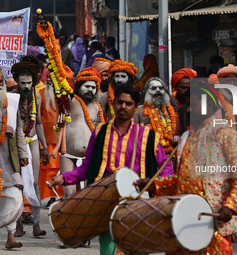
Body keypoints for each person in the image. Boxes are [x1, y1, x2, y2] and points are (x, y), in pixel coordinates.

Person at [48, 84, 173, 255]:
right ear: (114, 104)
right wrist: (63, 178)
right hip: (107, 200)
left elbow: (165, 167)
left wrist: (160, 186)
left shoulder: (148, 136)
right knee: (108, 248)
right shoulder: (100, 133)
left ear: (136, 107)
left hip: (138, 200)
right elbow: (87, 167)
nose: (123, 107)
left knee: (138, 245)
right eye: (120, 102)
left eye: (128, 103)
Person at [134, 84, 237, 255]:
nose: (188, 110)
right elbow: (181, 180)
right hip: (186, 218)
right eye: (187, 105)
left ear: (210, 105)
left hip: (213, 220)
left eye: (194, 105)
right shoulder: (187, 138)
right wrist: (154, 184)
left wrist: (230, 206)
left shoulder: (226, 135)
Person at [11, 61, 50, 237]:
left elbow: (39, 123)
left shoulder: (38, 97)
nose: (26, 86)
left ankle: (36, 225)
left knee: (34, 183)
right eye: (22, 83)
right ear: (17, 82)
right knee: (17, 184)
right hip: (16, 144)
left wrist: (45, 147)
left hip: (33, 141)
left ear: (33, 82)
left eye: (28, 83)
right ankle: (17, 225)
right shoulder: (11, 98)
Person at [59, 67, 105, 197]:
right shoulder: (71, 102)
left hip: (88, 158)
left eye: (93, 87)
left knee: (87, 195)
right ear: (79, 87)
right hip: (69, 155)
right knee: (69, 193)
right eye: (87, 86)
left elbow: (100, 130)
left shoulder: (97, 107)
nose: (90, 89)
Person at [0, 67, 28, 249]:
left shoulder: (11, 101)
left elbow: (18, 129)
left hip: (7, 156)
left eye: (0, 83)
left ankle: (10, 236)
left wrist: (23, 153)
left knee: (14, 193)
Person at [38, 70, 64, 206]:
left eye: (51, 77)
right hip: (46, 139)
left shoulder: (62, 95)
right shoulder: (40, 95)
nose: (48, 79)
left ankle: (55, 198)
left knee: (58, 169)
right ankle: (48, 197)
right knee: (46, 170)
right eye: (46, 76)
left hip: (61, 140)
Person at [133, 77, 178, 153]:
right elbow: (133, 135)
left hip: (172, 154)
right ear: (146, 91)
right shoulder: (139, 111)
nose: (158, 90)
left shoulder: (172, 110)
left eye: (161, 88)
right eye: (153, 88)